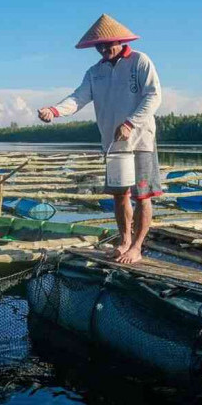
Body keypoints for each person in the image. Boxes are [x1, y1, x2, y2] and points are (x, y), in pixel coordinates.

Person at [38, 14, 162, 264]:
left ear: (120, 40)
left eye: (109, 44)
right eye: (100, 46)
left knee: (143, 195)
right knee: (119, 195)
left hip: (140, 141)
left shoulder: (140, 61)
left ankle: (137, 247)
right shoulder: (95, 72)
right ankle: (124, 240)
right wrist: (54, 110)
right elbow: (78, 98)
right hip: (113, 145)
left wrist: (130, 122)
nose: (104, 49)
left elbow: (154, 96)